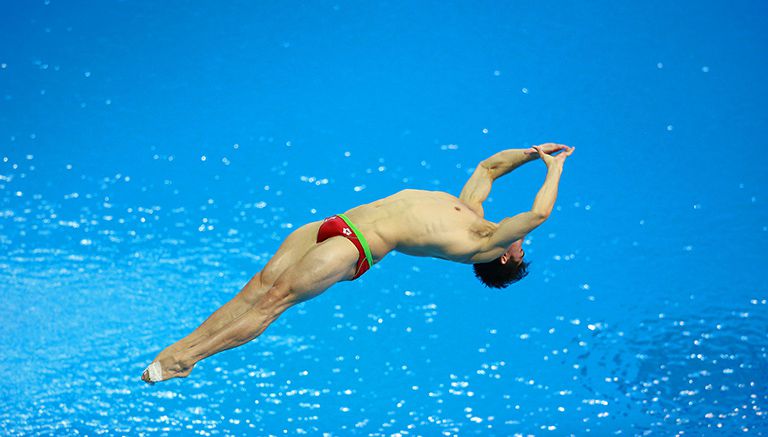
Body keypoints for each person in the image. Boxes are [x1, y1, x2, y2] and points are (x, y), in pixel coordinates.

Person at [141, 143, 575, 383]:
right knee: (255, 288)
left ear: (500, 255)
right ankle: (182, 351)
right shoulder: (470, 211)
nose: (521, 240)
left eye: (519, 249)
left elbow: (538, 215)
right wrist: (533, 152)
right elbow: (487, 168)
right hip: (337, 222)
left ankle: (188, 360)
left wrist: (553, 172)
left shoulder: (477, 245)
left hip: (357, 247)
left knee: (274, 300)